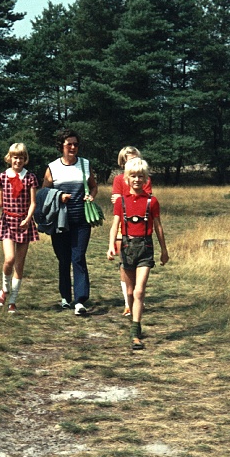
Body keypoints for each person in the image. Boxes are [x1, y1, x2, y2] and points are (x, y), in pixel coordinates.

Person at [107, 158, 168, 350]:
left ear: (146, 179)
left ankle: (135, 332)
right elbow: (115, 225)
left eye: (140, 176)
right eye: (133, 176)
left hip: (145, 248)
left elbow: (158, 227)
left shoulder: (152, 201)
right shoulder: (121, 202)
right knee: (131, 291)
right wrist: (111, 246)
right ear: (126, 178)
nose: (136, 180)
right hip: (126, 247)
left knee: (140, 291)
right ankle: (133, 318)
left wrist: (164, 250)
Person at [42, 128, 98, 316]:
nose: (73, 147)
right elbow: (43, 193)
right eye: (69, 144)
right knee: (64, 259)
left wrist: (90, 196)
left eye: (76, 144)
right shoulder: (52, 167)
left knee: (78, 257)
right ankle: (65, 297)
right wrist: (59, 196)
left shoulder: (85, 164)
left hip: (81, 220)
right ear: (61, 146)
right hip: (60, 221)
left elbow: (93, 187)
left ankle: (80, 300)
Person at [0, 143, 39, 313]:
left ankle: (13, 301)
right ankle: (5, 289)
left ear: (25, 159)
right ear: (10, 158)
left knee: (19, 264)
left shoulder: (30, 178)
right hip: (7, 222)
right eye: (15, 157)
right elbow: (0, 201)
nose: (18, 161)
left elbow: (33, 203)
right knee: (9, 259)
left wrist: (28, 219)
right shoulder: (2, 177)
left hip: (24, 223)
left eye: (21, 158)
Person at [110, 146, 153, 316]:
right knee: (125, 263)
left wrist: (122, 197)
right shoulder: (119, 179)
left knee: (140, 262)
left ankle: (137, 297)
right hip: (123, 225)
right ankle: (127, 302)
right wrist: (121, 199)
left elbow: (145, 196)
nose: (133, 162)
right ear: (123, 162)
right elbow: (116, 201)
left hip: (140, 225)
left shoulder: (144, 179)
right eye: (129, 160)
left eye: (135, 159)